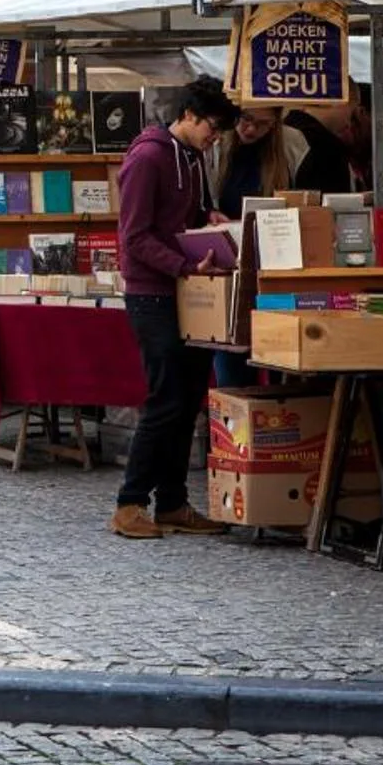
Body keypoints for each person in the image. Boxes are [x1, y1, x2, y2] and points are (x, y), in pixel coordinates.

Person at [113, 78, 240, 540]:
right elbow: (134, 237)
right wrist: (183, 265)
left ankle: (171, 502)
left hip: (186, 291)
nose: (216, 137)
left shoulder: (192, 158)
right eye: (213, 126)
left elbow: (183, 217)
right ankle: (130, 503)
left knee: (188, 400)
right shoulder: (148, 158)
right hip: (152, 293)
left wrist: (210, 220)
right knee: (165, 399)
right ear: (188, 115)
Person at [208, 105, 310, 218]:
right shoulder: (212, 141)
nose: (252, 129)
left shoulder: (292, 143)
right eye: (246, 118)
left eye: (263, 123)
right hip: (225, 225)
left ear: (274, 123)